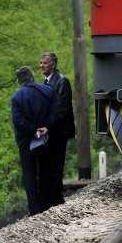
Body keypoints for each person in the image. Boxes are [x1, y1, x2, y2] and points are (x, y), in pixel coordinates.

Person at [11, 66, 63, 215]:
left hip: (26, 141)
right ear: (32, 76)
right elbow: (57, 110)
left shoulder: (16, 97)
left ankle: (35, 210)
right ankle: (47, 205)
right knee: (46, 172)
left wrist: (33, 130)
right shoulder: (48, 90)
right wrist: (46, 127)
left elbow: (18, 120)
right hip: (46, 139)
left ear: (19, 81)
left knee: (29, 175)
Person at [39, 52, 76, 205]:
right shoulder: (45, 82)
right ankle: (52, 199)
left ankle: (56, 200)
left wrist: (48, 126)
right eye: (40, 63)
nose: (41, 65)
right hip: (50, 130)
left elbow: (61, 109)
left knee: (56, 165)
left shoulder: (62, 82)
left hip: (58, 132)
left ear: (53, 65)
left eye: (44, 63)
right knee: (50, 165)